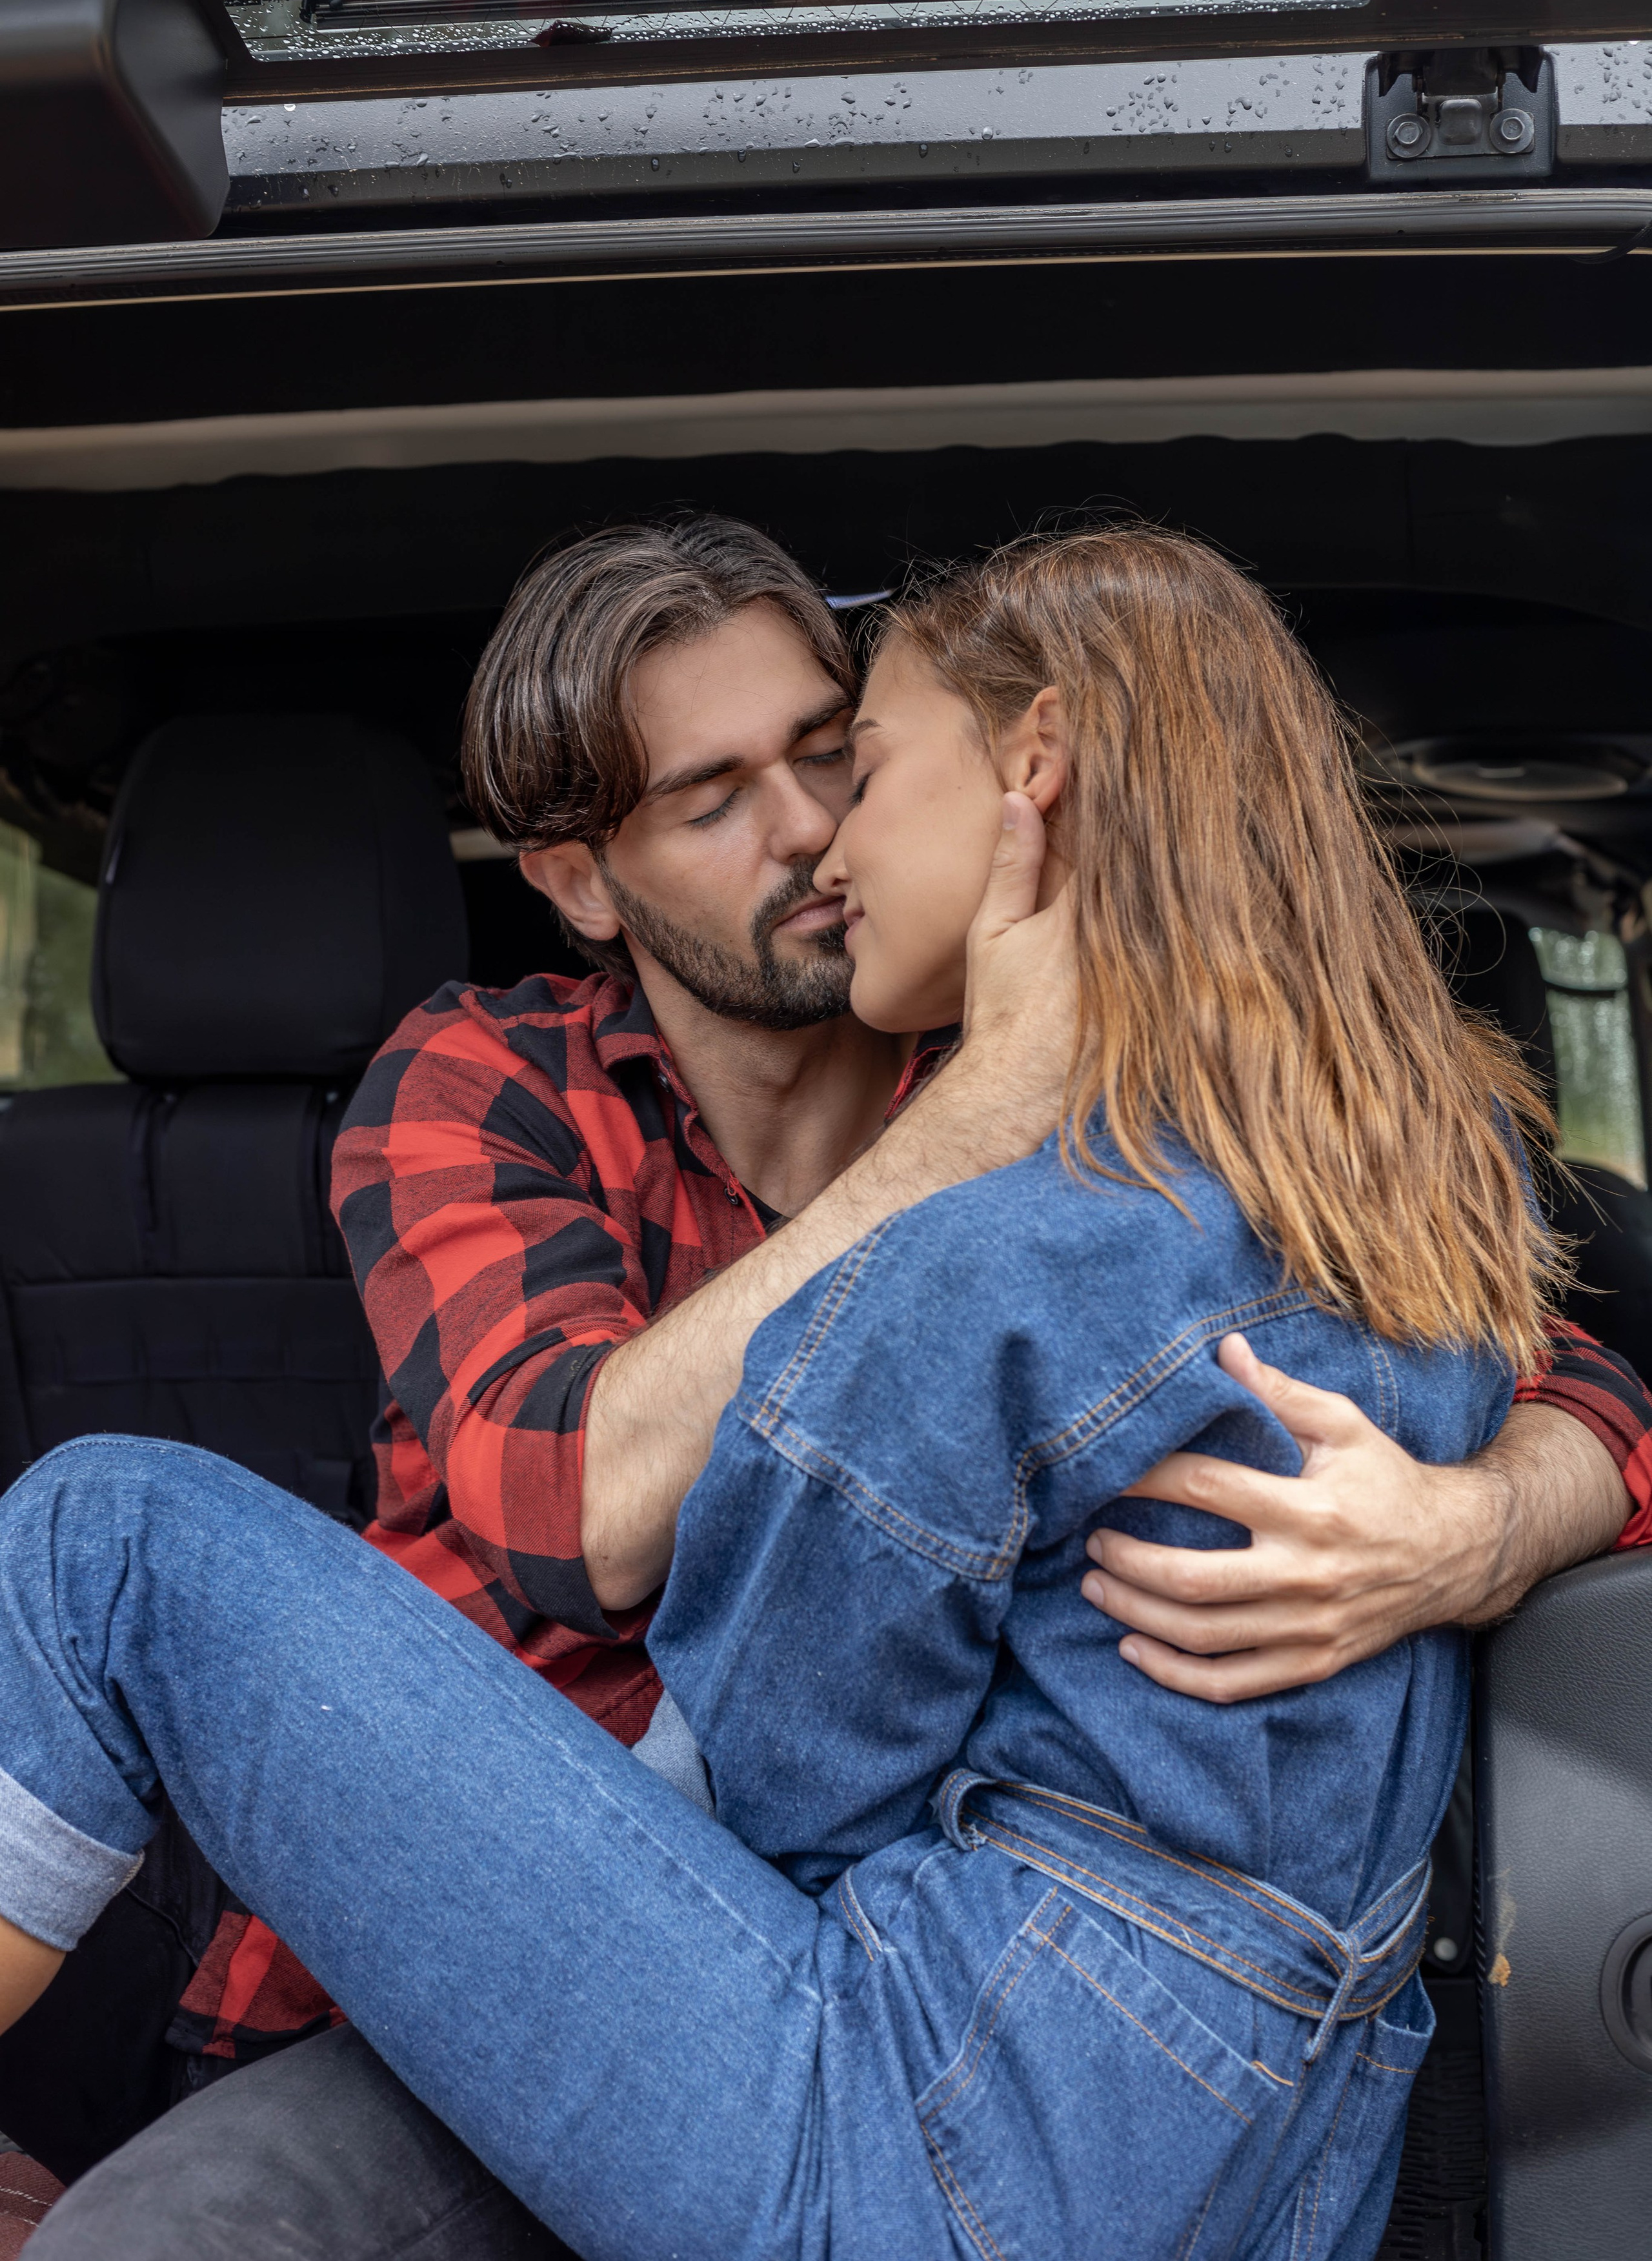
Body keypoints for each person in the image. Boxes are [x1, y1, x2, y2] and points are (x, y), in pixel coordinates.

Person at [10, 515, 1651, 2260]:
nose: (808, 832)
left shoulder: (1088, 1137)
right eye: (715, 801)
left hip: (900, 2001)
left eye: (831, 756)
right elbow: (571, 1516)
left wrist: (1472, 1527)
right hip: (528, 1932)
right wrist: (973, 1129)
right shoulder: (486, 1086)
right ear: (578, 880)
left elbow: (1521, 1354)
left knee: (103, 1541)